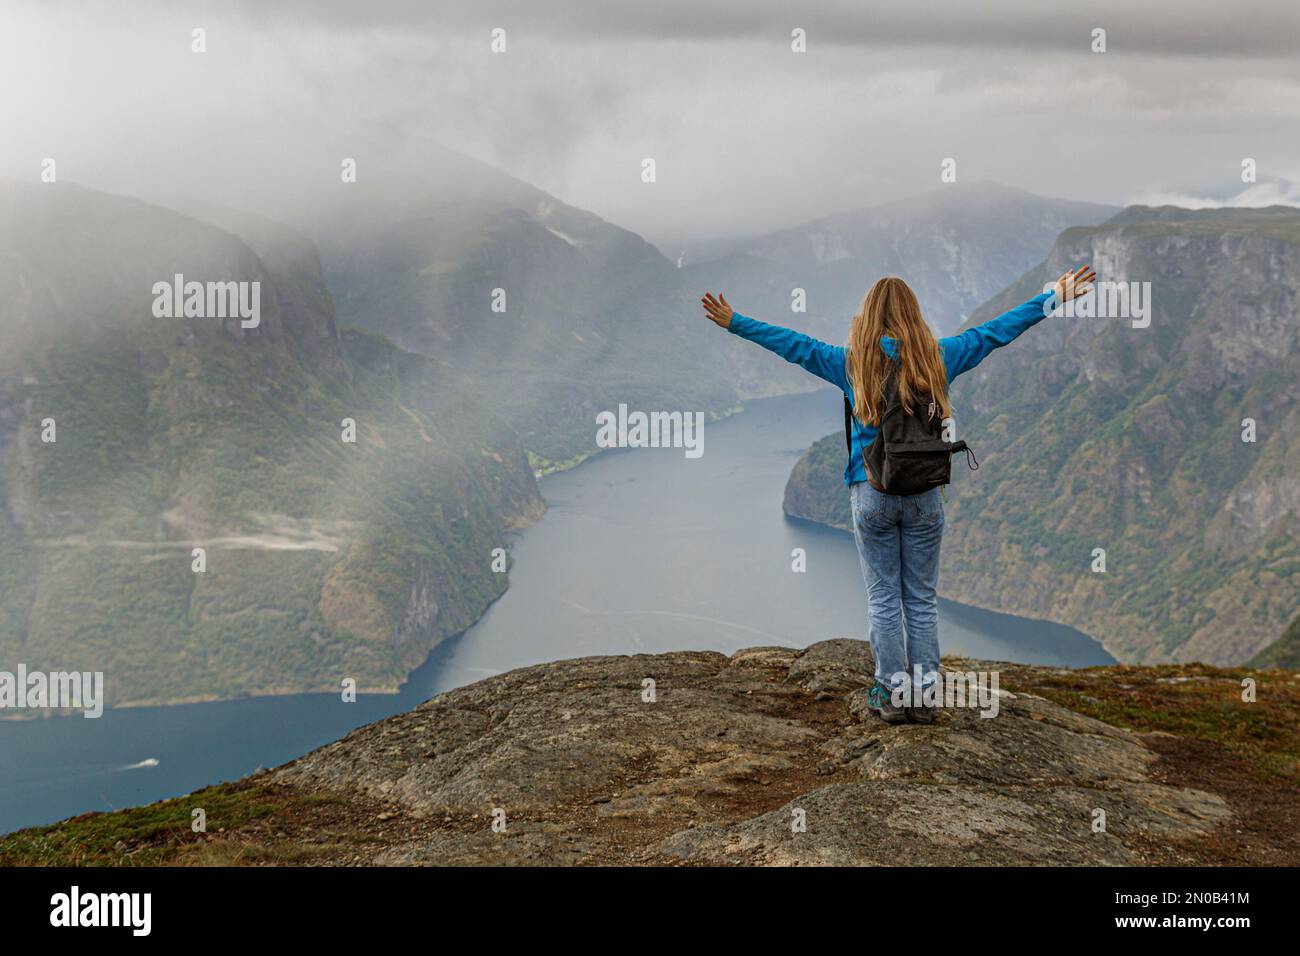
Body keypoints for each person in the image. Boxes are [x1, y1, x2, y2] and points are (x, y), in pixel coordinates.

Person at [701, 266, 1095, 723]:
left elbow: (794, 345)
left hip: (871, 493)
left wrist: (736, 322)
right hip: (925, 493)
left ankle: (892, 692)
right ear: (914, 314)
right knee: (921, 598)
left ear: (867, 318)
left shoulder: (851, 363)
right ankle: (926, 695)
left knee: (884, 596)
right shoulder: (939, 358)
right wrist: (1054, 297)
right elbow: (995, 333)